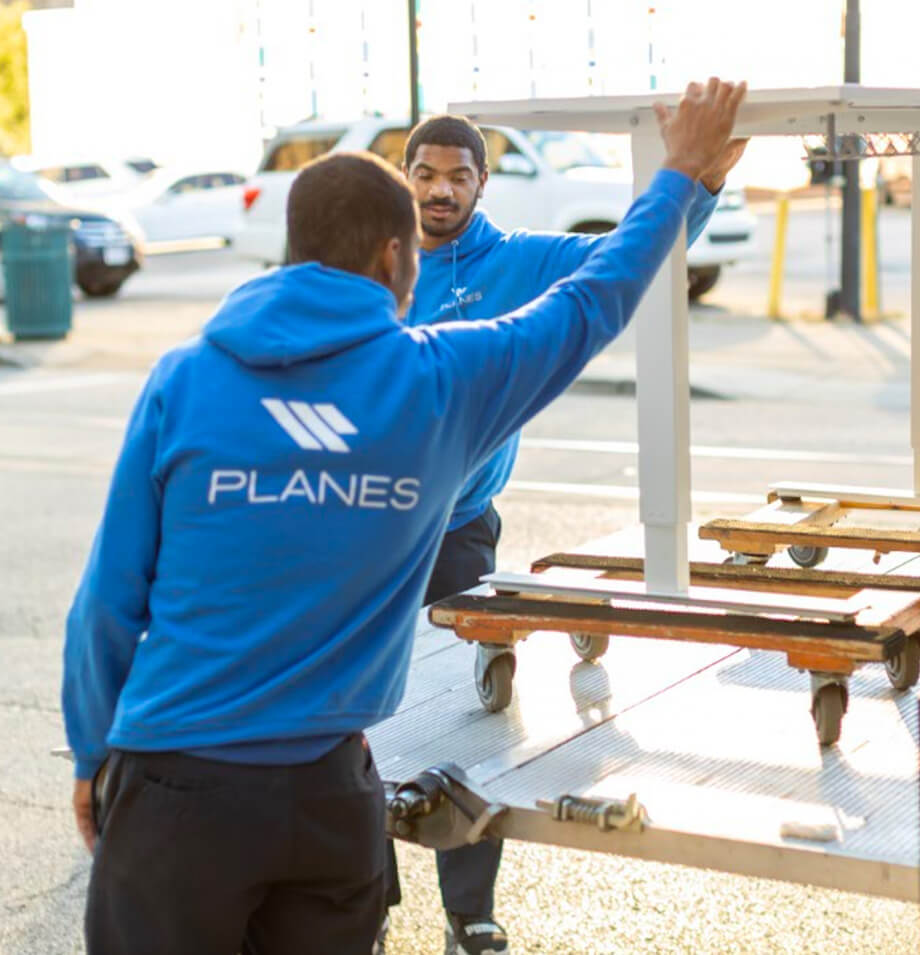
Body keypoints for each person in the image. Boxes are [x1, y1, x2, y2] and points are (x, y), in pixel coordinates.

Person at [62, 77, 746, 955]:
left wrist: (92, 752)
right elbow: (594, 299)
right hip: (326, 798)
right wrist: (683, 173)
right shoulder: (441, 383)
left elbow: (105, 606)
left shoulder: (184, 379)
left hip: (173, 793)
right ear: (394, 259)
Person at [380, 101, 748, 955]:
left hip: (461, 532)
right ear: (406, 177)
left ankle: (468, 908)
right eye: (425, 173)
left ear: (482, 182)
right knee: (363, 714)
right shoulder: (377, 261)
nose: (439, 190)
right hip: (375, 529)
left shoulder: (514, 262)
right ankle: (371, 893)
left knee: (464, 727)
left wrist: (704, 183)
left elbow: (631, 258)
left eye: (457, 175)